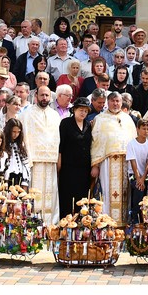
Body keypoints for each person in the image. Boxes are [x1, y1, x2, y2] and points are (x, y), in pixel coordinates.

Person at [89, 90, 137, 226]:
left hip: (125, 162)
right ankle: (106, 223)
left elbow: (133, 141)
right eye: (113, 101)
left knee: (124, 195)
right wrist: (95, 165)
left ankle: (123, 224)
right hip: (106, 162)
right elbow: (96, 142)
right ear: (107, 102)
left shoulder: (128, 119)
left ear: (122, 103)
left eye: (118, 101)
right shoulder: (100, 119)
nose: (115, 103)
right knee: (107, 193)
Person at [20, 85, 61, 224]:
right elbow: (22, 137)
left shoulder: (55, 115)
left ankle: (51, 226)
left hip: (51, 162)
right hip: (34, 161)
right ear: (36, 95)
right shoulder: (26, 114)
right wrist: (27, 158)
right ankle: (33, 226)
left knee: (50, 196)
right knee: (35, 195)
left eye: (47, 95)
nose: (44, 98)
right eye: (42, 95)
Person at [58, 98, 92, 215]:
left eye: (86, 111)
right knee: (67, 197)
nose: (83, 113)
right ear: (75, 110)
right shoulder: (66, 123)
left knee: (82, 198)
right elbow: (61, 146)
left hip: (84, 169)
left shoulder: (89, 125)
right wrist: (59, 164)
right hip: (68, 168)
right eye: (81, 110)